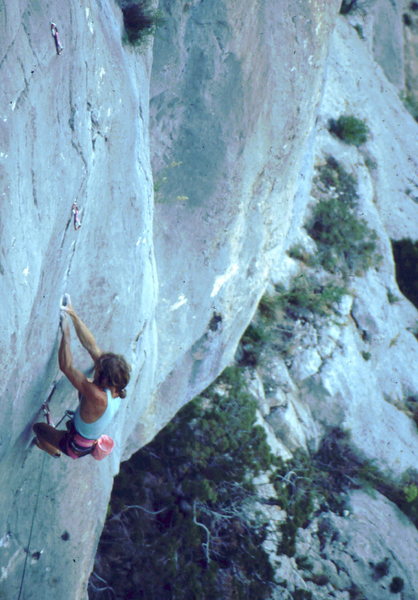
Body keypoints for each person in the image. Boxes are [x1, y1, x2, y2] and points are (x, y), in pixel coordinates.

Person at [33, 297, 131, 459]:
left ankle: (53, 450)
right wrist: (72, 313)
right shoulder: (117, 384)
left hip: (75, 446)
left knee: (39, 428)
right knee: (88, 385)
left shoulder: (97, 396)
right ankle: (60, 438)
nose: (96, 368)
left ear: (105, 379)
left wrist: (66, 333)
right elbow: (92, 347)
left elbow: (67, 367)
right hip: (84, 434)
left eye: (99, 370)